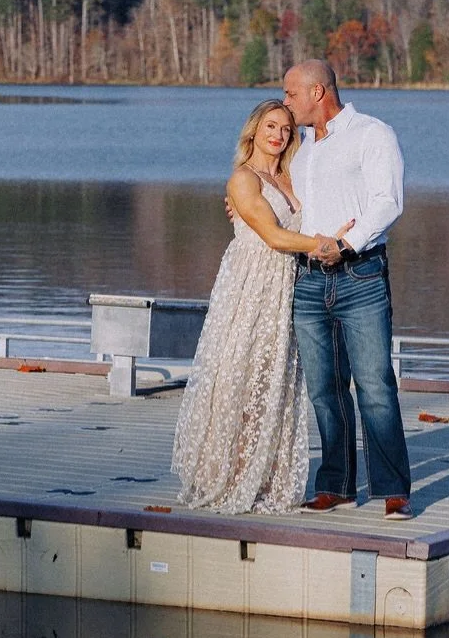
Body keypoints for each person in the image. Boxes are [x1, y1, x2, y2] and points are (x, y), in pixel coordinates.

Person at [171, 99, 352, 513]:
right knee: (239, 377)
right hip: (250, 285)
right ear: (254, 131)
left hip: (288, 284)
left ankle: (263, 476)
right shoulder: (242, 179)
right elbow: (271, 235)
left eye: (287, 130)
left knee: (273, 382)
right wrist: (327, 246)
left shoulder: (294, 176)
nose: (279, 135)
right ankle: (229, 476)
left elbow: (325, 198)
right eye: (271, 126)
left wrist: (340, 231)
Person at [282, 59, 413, 521]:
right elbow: (287, 201)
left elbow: (387, 202)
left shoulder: (374, 135)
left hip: (360, 276)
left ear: (318, 92)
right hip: (308, 280)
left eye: (291, 94)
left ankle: (393, 489)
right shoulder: (302, 149)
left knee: (375, 385)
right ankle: (336, 485)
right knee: (323, 388)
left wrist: (345, 244)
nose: (286, 103)